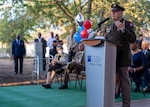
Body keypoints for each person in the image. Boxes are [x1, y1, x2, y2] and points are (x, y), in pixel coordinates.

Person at [105, 3, 136, 107]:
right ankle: (108, 103)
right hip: (110, 57)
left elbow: (133, 39)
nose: (112, 13)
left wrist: (123, 29)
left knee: (124, 82)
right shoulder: (110, 26)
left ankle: (126, 105)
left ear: (121, 13)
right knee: (108, 81)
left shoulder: (128, 24)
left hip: (122, 58)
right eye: (112, 11)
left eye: (115, 12)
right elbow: (107, 40)